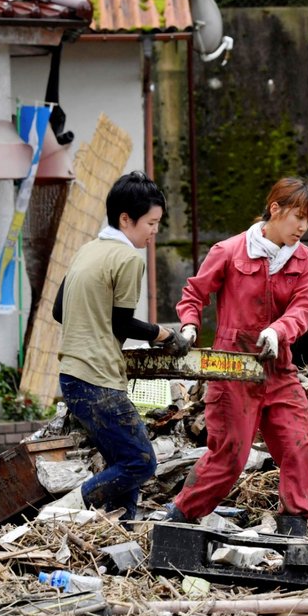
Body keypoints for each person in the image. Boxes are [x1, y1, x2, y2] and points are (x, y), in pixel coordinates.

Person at [164, 177, 308, 536]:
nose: (302, 227)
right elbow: (194, 293)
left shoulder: (307, 262)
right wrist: (189, 325)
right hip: (232, 369)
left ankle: (297, 527)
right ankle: (179, 518)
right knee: (230, 456)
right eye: (297, 216)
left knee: (299, 443)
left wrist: (278, 332)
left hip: (278, 370)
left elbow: (304, 309)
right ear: (275, 209)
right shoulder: (230, 251)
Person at [53, 171, 190, 522]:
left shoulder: (88, 249)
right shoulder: (128, 259)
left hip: (72, 375)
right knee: (141, 462)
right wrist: (164, 335)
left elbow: (58, 310)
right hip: (97, 380)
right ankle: (67, 510)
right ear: (126, 219)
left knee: (122, 459)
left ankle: (124, 524)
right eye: (151, 222)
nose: (154, 231)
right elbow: (121, 324)